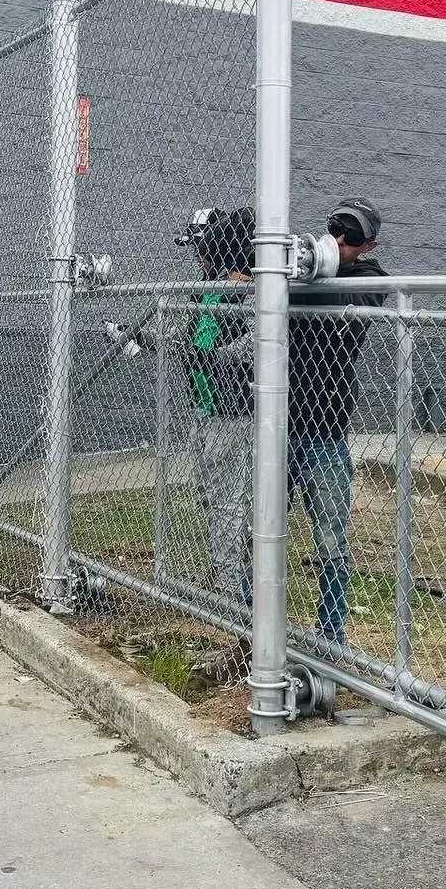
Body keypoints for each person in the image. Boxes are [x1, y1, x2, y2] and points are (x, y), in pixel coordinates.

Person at [287, 196, 387, 646]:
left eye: (352, 235)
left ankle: (331, 632)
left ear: (368, 246)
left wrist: (311, 269)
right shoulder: (302, 265)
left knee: (329, 537)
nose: (340, 239)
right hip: (279, 422)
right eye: (336, 227)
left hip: (325, 425)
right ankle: (253, 616)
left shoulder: (370, 278)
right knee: (258, 527)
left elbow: (348, 296)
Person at [177, 207, 255, 606]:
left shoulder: (251, 292)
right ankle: (229, 568)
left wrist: (207, 358)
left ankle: (230, 588)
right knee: (209, 494)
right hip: (203, 403)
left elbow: (251, 346)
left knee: (228, 500)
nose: (199, 256)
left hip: (232, 409)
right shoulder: (207, 288)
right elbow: (190, 337)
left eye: (205, 248)